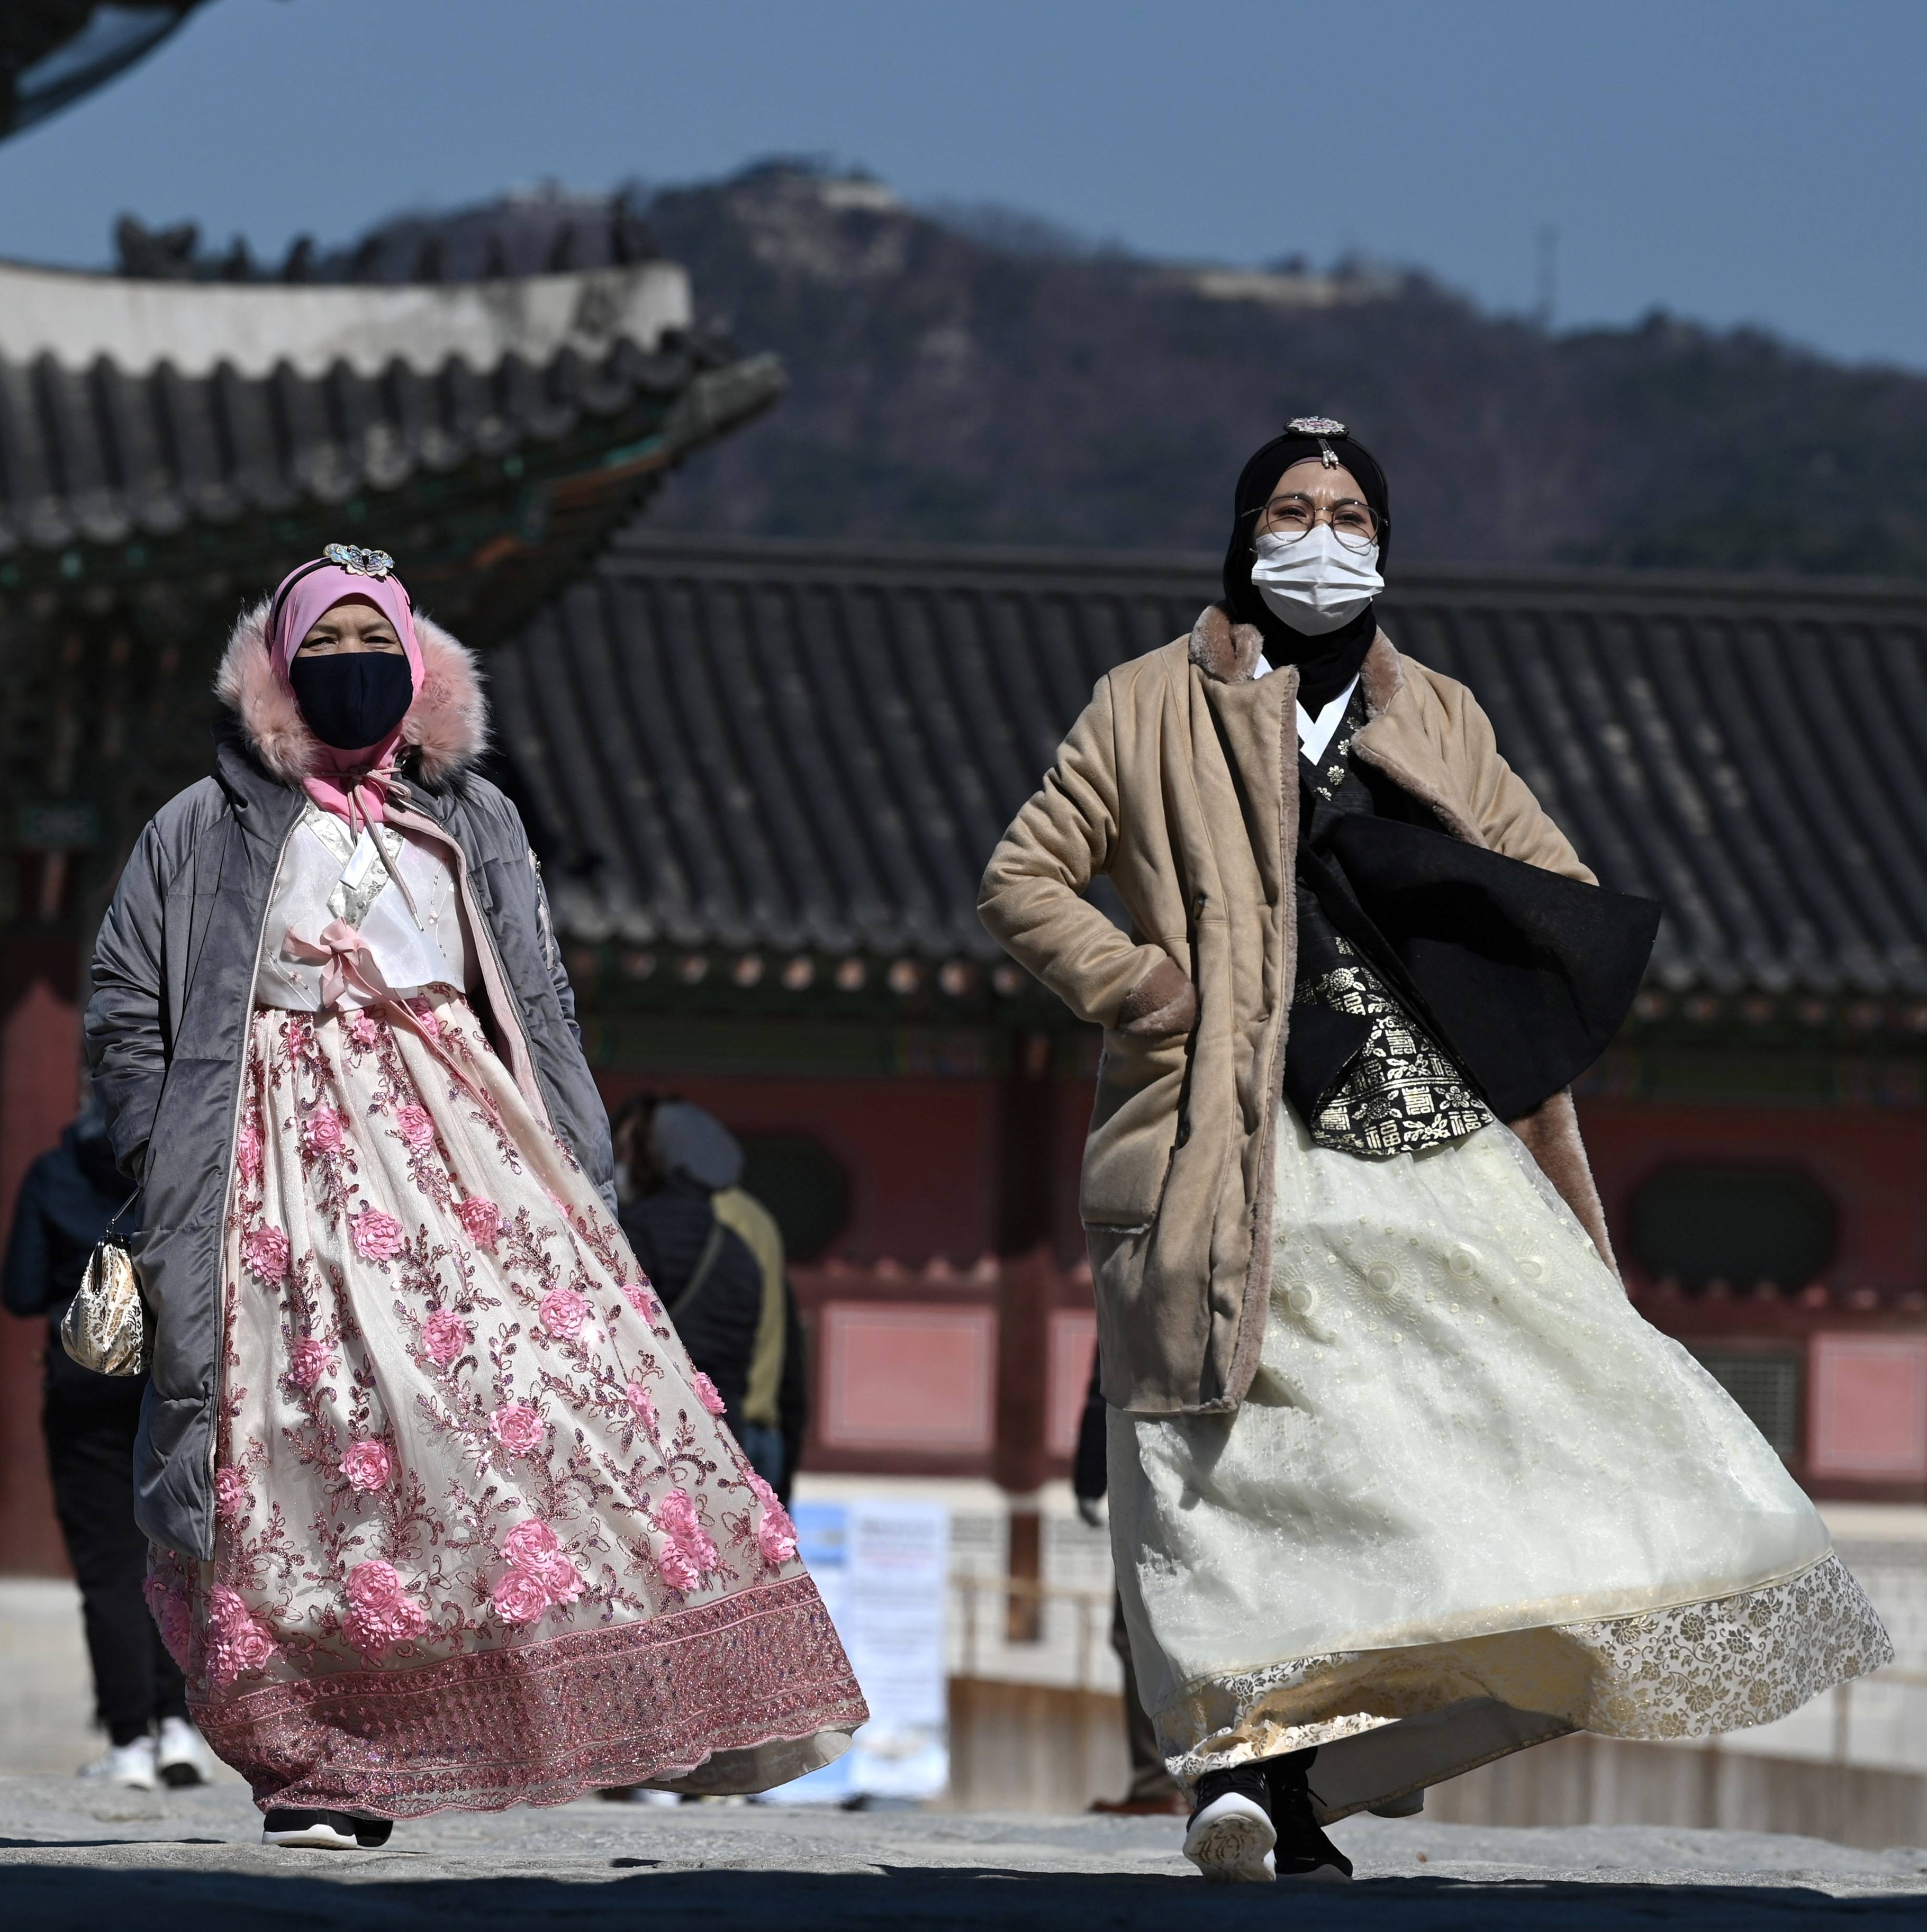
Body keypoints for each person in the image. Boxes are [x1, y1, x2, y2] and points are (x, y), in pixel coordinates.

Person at [980, 417, 1893, 1882]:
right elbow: (1022, 875)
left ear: (1385, 544)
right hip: (1221, 1134)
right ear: (1242, 528)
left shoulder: (1439, 715)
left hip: (1429, 1140)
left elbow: (1558, 891)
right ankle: (1245, 1766)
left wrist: (1434, 898)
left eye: (1348, 512)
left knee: (1505, 1437)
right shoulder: (1146, 702)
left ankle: (1332, 1766)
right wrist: (1148, 986)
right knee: (1232, 1461)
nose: (1320, 535)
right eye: (1290, 507)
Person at [88, 544, 865, 1851]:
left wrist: (579, 1168)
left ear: (418, 662)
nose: (349, 669)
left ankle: (576, 1705)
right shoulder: (199, 825)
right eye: (318, 647)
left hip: (467, 1151)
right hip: (266, 1163)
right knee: (299, 1444)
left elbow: (542, 998)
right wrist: (156, 1144)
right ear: (270, 671)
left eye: (370, 641)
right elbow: (125, 999)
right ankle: (317, 1758)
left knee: (521, 1419)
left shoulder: (478, 819)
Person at [0, 1094, 204, 1792]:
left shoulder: (54, 1171)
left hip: (86, 1383)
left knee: (108, 1567)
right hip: (174, 1384)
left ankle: (128, 1741)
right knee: (175, 1555)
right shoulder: (181, 1168)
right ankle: (180, 1725)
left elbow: (20, 1288)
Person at [610, 1098, 809, 1492]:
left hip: (662, 1436)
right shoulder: (743, 1238)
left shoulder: (636, 1230)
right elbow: (781, 1345)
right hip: (733, 1430)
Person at [1069, 1352, 1177, 1817]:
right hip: (1225, 1462)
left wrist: (1090, 1475)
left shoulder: (1137, 1274)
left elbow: (1109, 1380)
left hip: (1152, 1466)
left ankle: (1160, 1781)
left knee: (1138, 1631)